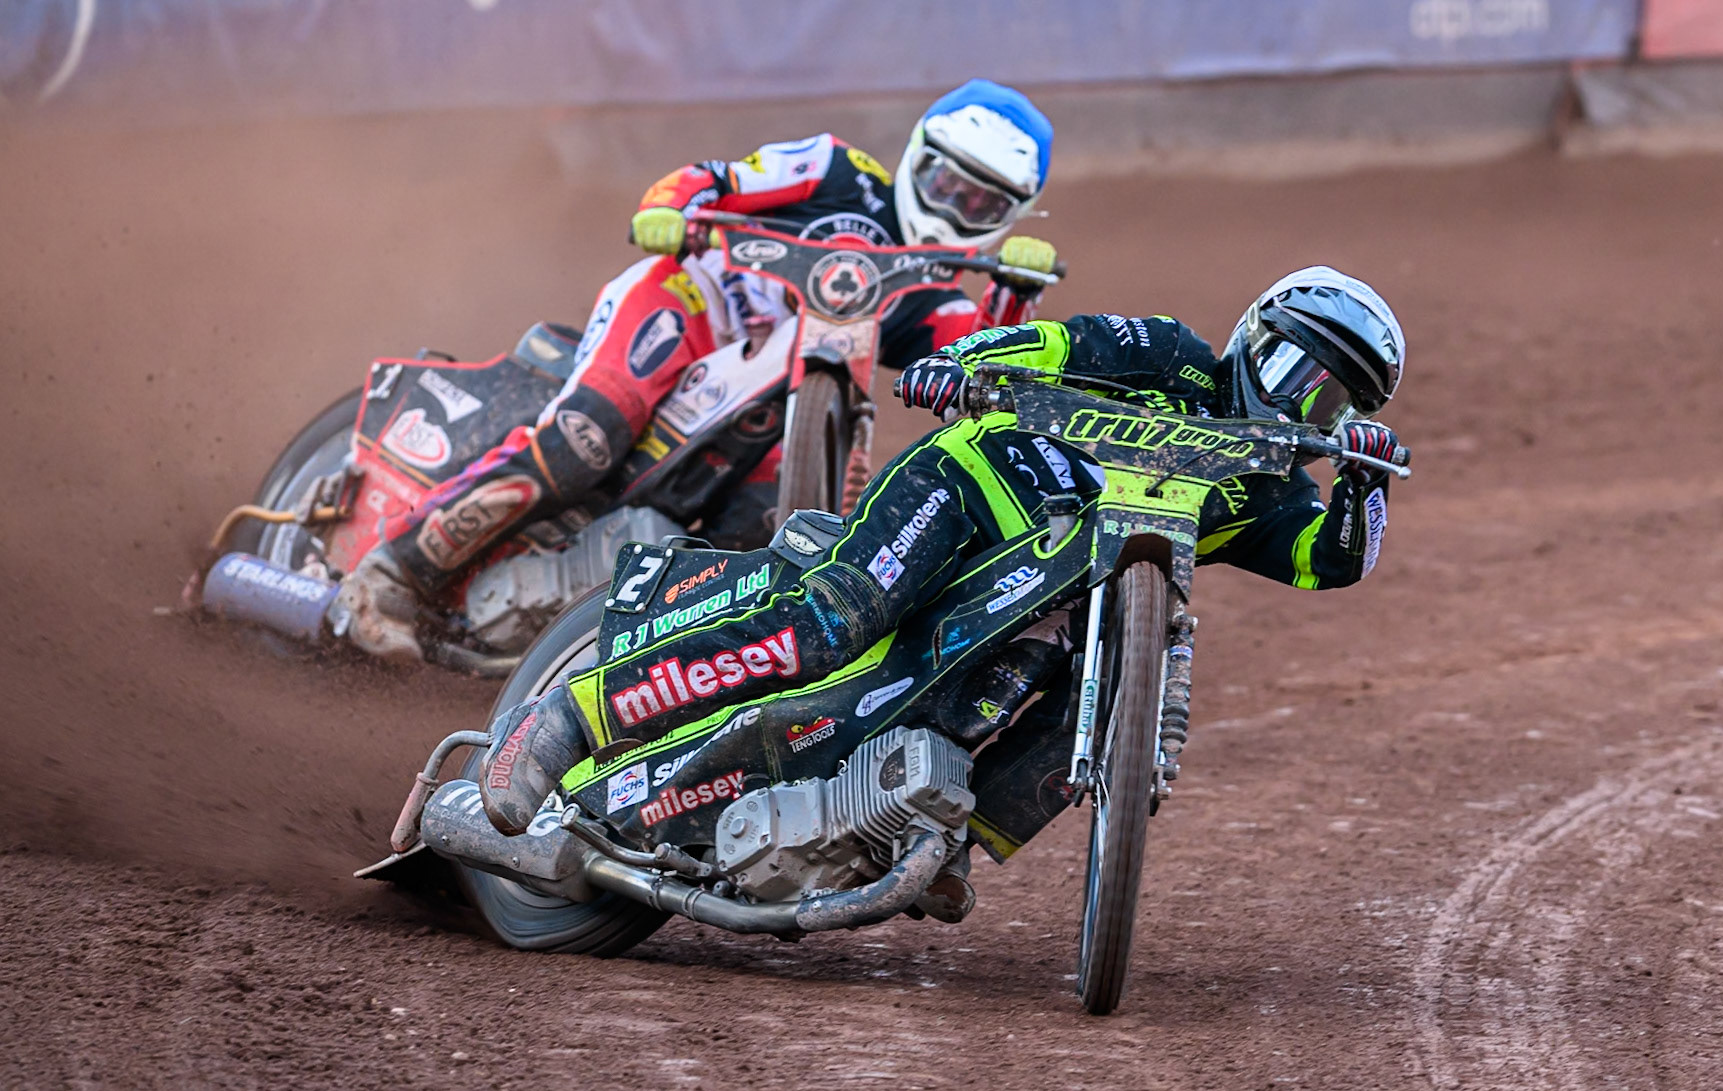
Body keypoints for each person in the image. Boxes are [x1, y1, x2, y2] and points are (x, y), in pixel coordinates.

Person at [475, 265, 1409, 884]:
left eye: (1329, 397)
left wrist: (1363, 476)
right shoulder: (1169, 356)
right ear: (1253, 334)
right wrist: (964, 360)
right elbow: (1057, 344)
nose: (1296, 400)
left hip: (1049, 596)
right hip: (967, 490)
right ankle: (566, 721)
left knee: (1095, 678)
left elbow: (1330, 563)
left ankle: (946, 841)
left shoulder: (1266, 494)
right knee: (833, 623)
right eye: (1293, 366)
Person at [337, 79, 1061, 661]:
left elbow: (976, 366)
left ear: (1013, 214)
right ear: (915, 155)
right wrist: (671, 208)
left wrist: (1013, 290)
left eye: (981, 203)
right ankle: (393, 572)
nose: (954, 207)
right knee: (588, 436)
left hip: (775, 406)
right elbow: (716, 179)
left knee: (758, 540)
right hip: (693, 303)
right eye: (944, 181)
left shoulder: (934, 290)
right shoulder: (837, 169)